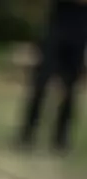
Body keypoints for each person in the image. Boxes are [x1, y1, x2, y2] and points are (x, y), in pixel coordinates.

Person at [18, 0, 87, 154]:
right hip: (57, 26)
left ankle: (61, 139)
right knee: (40, 82)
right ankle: (27, 134)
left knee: (70, 89)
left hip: (79, 28)